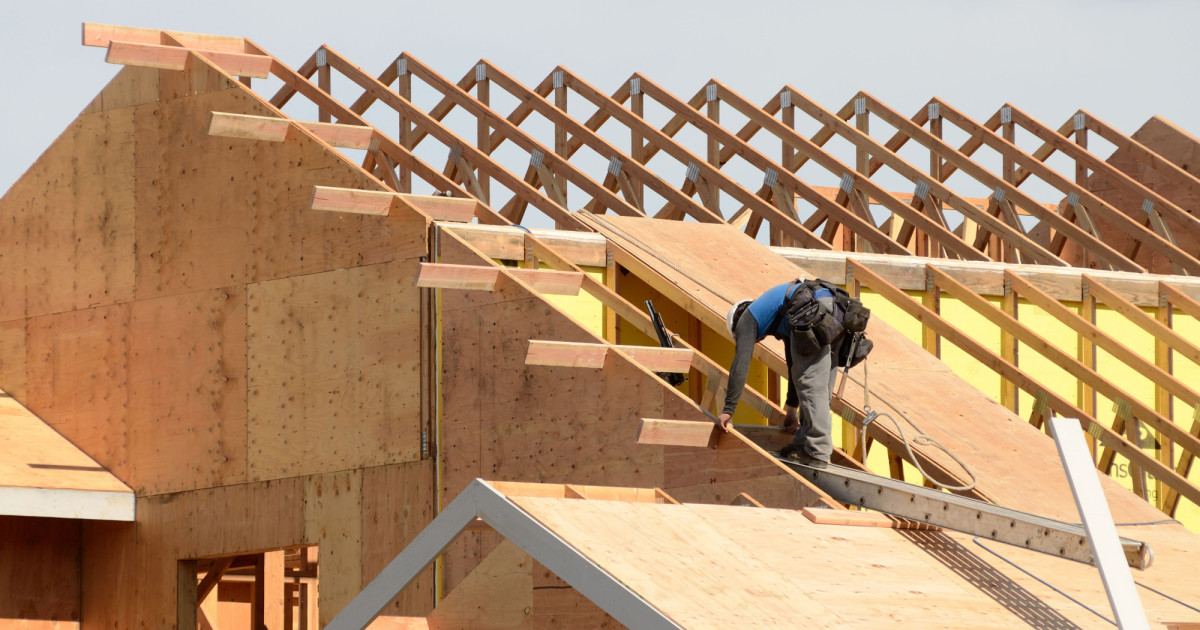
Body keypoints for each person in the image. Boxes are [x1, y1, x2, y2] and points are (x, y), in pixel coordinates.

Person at [716, 279, 840, 468]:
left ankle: (817, 452)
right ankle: (806, 445)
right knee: (818, 386)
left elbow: (740, 363)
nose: (758, 341)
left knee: (810, 383)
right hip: (832, 309)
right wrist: (791, 409)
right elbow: (793, 365)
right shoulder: (780, 315)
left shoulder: (746, 320)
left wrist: (728, 410)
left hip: (814, 309)